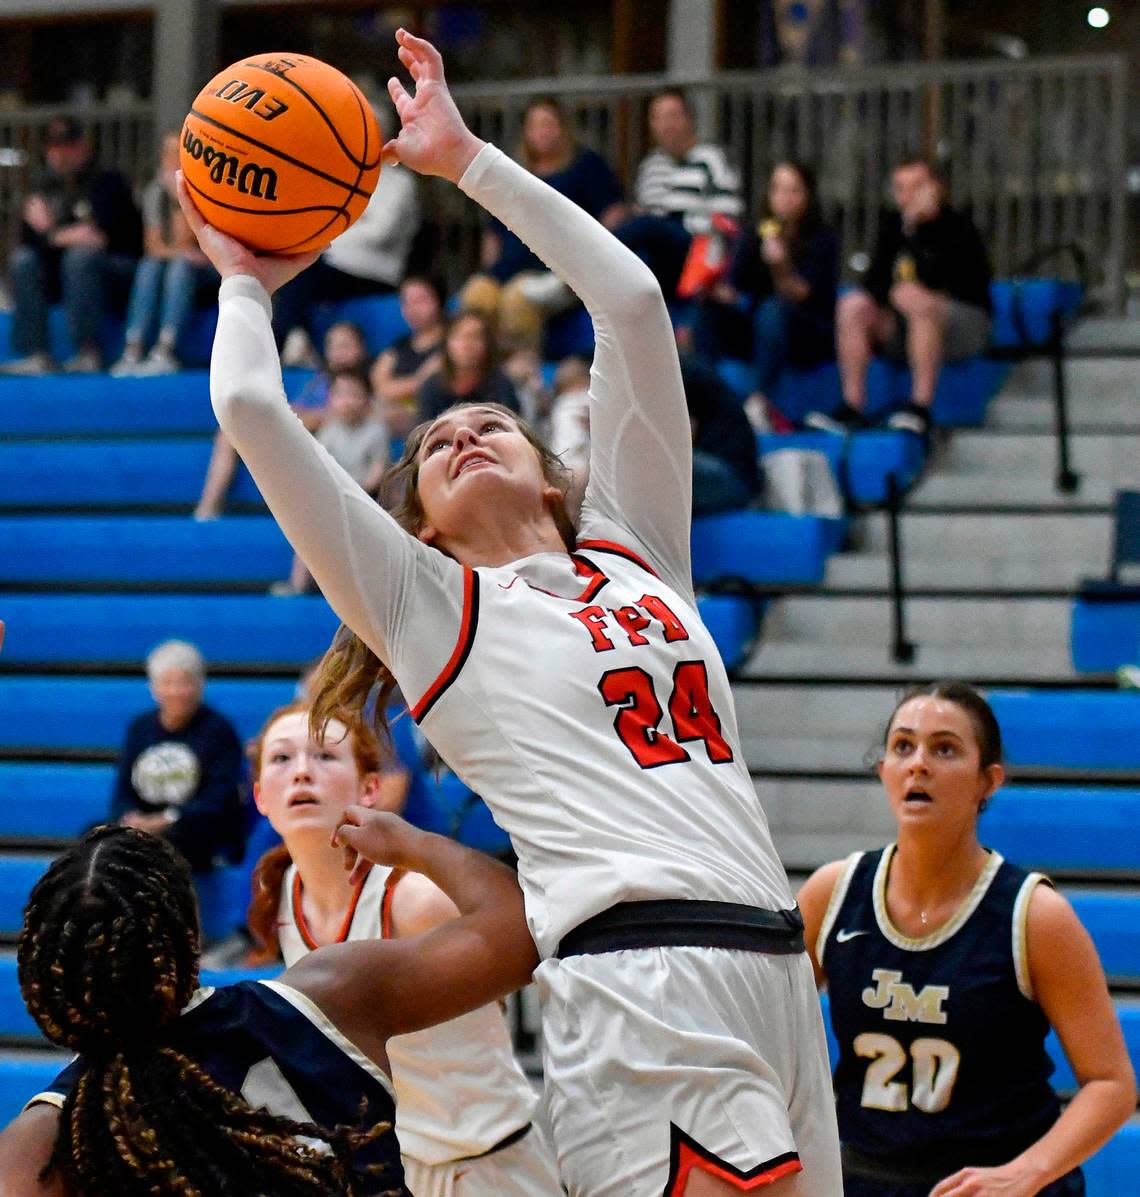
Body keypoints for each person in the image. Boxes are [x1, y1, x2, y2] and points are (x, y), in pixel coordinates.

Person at [176, 27, 841, 1197]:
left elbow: (630, 298)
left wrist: (470, 160)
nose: (463, 431)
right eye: (435, 442)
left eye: (488, 423)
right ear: (419, 526)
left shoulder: (642, 553)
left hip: (778, 967)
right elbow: (247, 399)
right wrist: (243, 273)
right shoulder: (435, 611)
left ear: (550, 470)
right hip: (642, 985)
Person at [0, 805, 538, 1196]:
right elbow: (518, 929)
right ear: (190, 938)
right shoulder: (329, 995)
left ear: (43, 973)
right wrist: (414, 845)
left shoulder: (38, 1143)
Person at [798, 682, 1135, 1197]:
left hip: (997, 1183)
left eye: (945, 749)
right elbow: (761, 1030)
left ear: (988, 782)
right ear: (883, 769)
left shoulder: (1034, 915)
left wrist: (1029, 1171)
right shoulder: (832, 893)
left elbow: (1111, 1085)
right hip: (865, 1178)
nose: (919, 764)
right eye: (903, 747)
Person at [245, 704, 562, 1194]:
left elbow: (518, 969)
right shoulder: (283, 893)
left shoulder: (414, 900)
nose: (302, 770)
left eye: (325, 757)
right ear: (261, 796)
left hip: (487, 1163)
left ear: (371, 791)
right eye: (282, 758)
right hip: (395, 1166)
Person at [806, 157, 992, 440]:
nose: (909, 196)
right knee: (852, 306)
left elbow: (952, 282)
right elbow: (873, 284)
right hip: (904, 326)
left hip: (962, 325)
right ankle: (852, 406)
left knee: (920, 301)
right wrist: (907, 235)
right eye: (901, 188)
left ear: (937, 189)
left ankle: (920, 406)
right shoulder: (894, 228)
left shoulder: (960, 228)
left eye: (917, 187)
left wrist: (918, 239)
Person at [460, 96, 625, 352]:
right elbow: (493, 230)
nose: (542, 132)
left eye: (548, 124)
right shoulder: (513, 170)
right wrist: (489, 268)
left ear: (563, 127)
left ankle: (522, 371)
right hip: (508, 267)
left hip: (560, 271)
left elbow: (614, 215)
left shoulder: (586, 166)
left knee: (517, 300)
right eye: (535, 125)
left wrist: (594, 264)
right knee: (476, 295)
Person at [274, 110, 421, 367]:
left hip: (374, 273)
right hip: (333, 265)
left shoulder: (400, 183)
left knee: (303, 270)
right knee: (292, 266)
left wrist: (329, 235)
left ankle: (287, 342)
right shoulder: (345, 178)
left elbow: (379, 233)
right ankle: (295, 338)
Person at [1, 116, 142, 375]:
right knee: (24, 261)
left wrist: (51, 233)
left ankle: (88, 351)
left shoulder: (107, 181)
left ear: (82, 147)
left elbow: (98, 237)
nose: (60, 154)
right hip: (64, 273)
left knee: (80, 258)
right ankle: (36, 354)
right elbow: (30, 240)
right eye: (54, 147)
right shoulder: (43, 186)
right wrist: (57, 236)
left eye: (67, 146)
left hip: (115, 270)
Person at [694, 161, 838, 414]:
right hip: (758, 326)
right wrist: (708, 287)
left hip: (804, 332)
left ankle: (759, 402)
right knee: (710, 312)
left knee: (772, 310)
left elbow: (800, 295)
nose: (785, 198)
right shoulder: (754, 232)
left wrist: (781, 266)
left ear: (808, 196)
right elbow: (734, 288)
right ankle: (699, 398)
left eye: (794, 190)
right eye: (778, 190)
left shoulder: (822, 238)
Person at [193, 320, 370, 520]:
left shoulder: (368, 380)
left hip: (324, 450)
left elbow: (353, 416)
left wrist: (313, 417)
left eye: (344, 346)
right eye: (332, 346)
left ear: (361, 348)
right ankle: (207, 509)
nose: (337, 353)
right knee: (228, 432)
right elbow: (296, 411)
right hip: (295, 437)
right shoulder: (320, 380)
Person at [110, 638, 246, 873]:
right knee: (97, 837)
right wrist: (129, 817)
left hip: (196, 827)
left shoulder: (219, 730)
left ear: (200, 685)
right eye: (167, 683)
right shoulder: (140, 728)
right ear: (153, 687)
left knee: (175, 840)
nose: (175, 691)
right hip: (146, 823)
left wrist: (170, 818)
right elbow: (123, 787)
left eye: (184, 683)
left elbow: (220, 796)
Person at [615, 87, 743, 302]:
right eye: (659, 118)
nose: (666, 125)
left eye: (673, 116)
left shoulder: (712, 158)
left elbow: (728, 214)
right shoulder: (651, 166)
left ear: (689, 119)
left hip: (695, 247)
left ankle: (583, 256)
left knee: (647, 226)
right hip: (657, 253)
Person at [110, 131, 218, 377]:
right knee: (150, 265)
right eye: (168, 153)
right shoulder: (154, 192)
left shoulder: (208, 188)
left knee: (179, 267)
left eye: (179, 152)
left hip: (209, 267)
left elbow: (195, 241)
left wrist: (179, 200)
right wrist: (170, 197)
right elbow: (153, 246)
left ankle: (165, 349)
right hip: (176, 263)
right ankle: (133, 347)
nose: (173, 159)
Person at [271, 371, 389, 596]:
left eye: (355, 395)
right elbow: (320, 467)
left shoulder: (376, 431)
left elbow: (378, 470)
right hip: (333, 495)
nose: (347, 401)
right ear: (330, 399)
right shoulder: (328, 431)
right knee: (309, 530)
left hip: (366, 498)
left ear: (367, 399)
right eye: (341, 395)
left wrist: (357, 493)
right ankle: (298, 584)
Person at [681, 355, 761, 516]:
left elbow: (682, 438)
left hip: (733, 478)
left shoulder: (683, 374)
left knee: (654, 463)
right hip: (717, 470)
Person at [370, 275, 446, 440]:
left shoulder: (451, 342)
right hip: (392, 412)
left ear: (439, 299)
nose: (412, 309)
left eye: (420, 301)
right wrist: (416, 381)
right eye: (406, 302)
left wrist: (403, 387)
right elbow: (380, 388)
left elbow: (426, 385)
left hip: (431, 414)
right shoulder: (399, 345)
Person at [414, 310, 520, 422]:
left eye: (475, 337)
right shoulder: (431, 387)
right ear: (447, 343)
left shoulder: (502, 384)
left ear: (487, 345)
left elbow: (511, 429)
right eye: (459, 337)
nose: (466, 345)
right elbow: (424, 435)